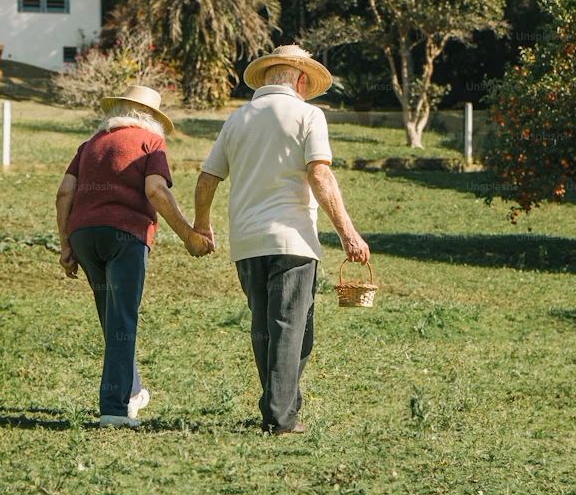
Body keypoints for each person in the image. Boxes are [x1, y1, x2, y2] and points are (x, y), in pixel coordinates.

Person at [193, 44, 370, 435]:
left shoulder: (236, 118)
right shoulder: (309, 114)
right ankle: (280, 416)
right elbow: (320, 176)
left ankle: (278, 405)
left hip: (246, 241)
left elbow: (207, 179)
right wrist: (348, 234)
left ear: (270, 76)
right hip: (292, 240)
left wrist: (202, 226)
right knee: (292, 328)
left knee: (265, 327)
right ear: (301, 80)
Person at [56, 85, 213, 428]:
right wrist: (188, 234)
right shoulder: (150, 142)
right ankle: (113, 409)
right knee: (123, 320)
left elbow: (64, 193)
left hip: (84, 236)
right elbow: (156, 190)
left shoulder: (90, 145)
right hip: (125, 235)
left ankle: (132, 390)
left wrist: (66, 245)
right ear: (152, 119)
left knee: (113, 319)